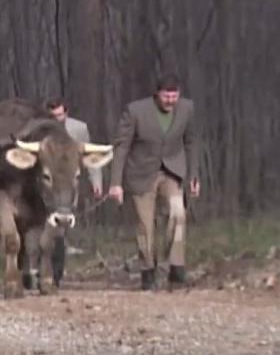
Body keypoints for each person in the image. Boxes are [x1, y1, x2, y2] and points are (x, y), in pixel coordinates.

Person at [108, 72, 200, 290]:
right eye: (166, 96)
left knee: (178, 213)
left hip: (173, 170)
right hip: (141, 173)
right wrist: (115, 182)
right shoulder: (135, 111)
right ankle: (147, 270)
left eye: (174, 96)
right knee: (145, 225)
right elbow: (121, 147)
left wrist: (193, 175)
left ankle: (174, 266)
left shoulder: (187, 109)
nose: (170, 101)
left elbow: (192, 142)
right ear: (157, 94)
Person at [45, 97, 104, 287]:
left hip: (68, 188)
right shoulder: (41, 130)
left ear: (66, 113)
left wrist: (96, 181)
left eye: (59, 115)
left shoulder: (79, 129)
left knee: (60, 231)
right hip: (47, 187)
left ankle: (56, 273)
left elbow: (89, 155)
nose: (57, 119)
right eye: (53, 116)